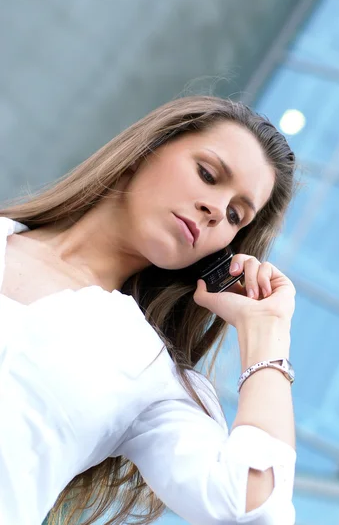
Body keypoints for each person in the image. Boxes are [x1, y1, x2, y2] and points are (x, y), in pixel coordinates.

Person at [0, 95, 298, 525]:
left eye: (236, 215)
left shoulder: (150, 369)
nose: (216, 210)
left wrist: (268, 331)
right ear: (147, 148)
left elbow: (252, 508)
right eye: (207, 174)